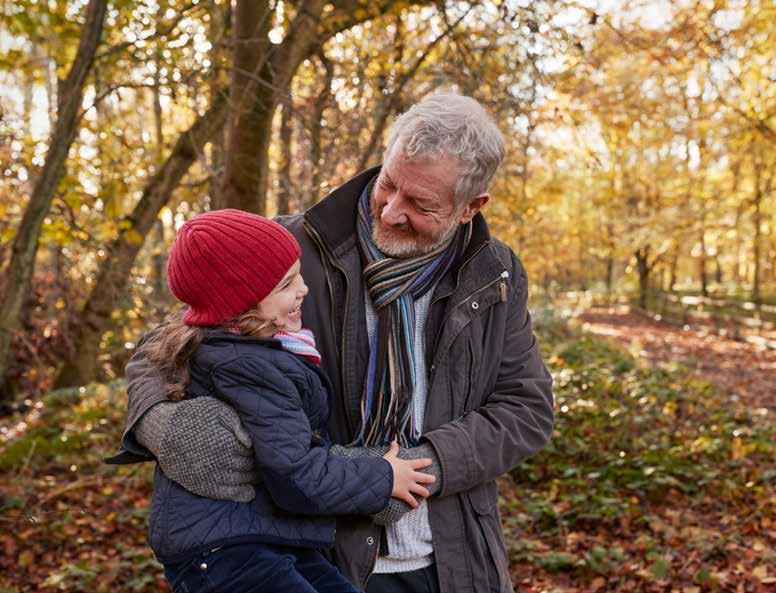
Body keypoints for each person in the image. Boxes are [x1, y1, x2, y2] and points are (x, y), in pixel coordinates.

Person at [109, 93, 554, 593]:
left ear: (471, 206)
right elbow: (166, 344)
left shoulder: (495, 274)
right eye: (389, 184)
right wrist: (159, 423)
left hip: (450, 558)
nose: (390, 211)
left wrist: (417, 465)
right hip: (318, 554)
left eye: (421, 204)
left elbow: (526, 407)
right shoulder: (291, 246)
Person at [136, 209, 436, 593]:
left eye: (298, 274)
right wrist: (384, 476)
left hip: (267, 535)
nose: (303, 290)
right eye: (286, 284)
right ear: (240, 302)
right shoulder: (249, 365)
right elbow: (296, 475)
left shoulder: (247, 345)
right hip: (227, 551)